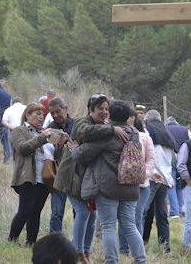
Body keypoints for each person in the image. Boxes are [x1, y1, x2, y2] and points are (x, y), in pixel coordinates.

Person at [72, 100, 146, 264]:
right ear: (128, 117)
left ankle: (111, 261)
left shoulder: (107, 134)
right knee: (129, 226)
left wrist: (74, 148)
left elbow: (83, 155)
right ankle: (141, 260)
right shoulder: (134, 133)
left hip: (108, 188)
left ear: (110, 114)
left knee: (108, 226)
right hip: (131, 187)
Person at [55, 93, 119, 263]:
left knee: (91, 215)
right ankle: (76, 252)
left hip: (87, 181)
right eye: (100, 109)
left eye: (107, 109)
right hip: (72, 177)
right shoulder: (82, 123)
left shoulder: (103, 125)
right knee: (83, 212)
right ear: (91, 110)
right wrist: (112, 129)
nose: (104, 112)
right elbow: (85, 132)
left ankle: (86, 252)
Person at [8, 103, 54, 246]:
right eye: (37, 114)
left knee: (36, 212)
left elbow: (51, 154)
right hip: (28, 177)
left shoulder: (44, 132)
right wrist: (42, 137)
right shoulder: (18, 130)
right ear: (27, 115)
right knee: (25, 210)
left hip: (45, 179)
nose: (41, 117)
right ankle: (12, 239)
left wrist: (60, 143)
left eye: (42, 114)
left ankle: (31, 243)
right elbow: (23, 149)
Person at [119, 112, 155, 256]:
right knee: (123, 217)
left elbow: (151, 159)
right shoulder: (118, 134)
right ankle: (123, 249)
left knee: (137, 217)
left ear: (133, 118)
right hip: (123, 184)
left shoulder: (145, 137)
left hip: (142, 186)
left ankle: (136, 252)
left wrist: (142, 175)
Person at [142, 109, 176, 253]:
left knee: (143, 212)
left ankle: (141, 243)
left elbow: (145, 153)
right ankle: (165, 247)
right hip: (165, 178)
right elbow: (174, 158)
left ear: (147, 120)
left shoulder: (147, 130)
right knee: (161, 214)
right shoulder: (168, 133)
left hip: (151, 176)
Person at [45, 97, 74, 234]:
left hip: (75, 175)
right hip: (58, 174)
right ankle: (54, 241)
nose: (55, 115)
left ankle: (78, 243)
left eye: (58, 111)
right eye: (52, 113)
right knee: (56, 213)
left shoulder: (77, 125)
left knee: (79, 212)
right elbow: (49, 155)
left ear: (65, 108)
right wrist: (58, 146)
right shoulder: (50, 128)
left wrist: (70, 141)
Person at [165, 116, 190, 219]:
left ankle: (174, 211)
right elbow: (190, 144)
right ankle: (180, 209)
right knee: (180, 186)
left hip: (170, 159)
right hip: (183, 160)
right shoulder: (185, 130)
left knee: (171, 185)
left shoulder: (164, 129)